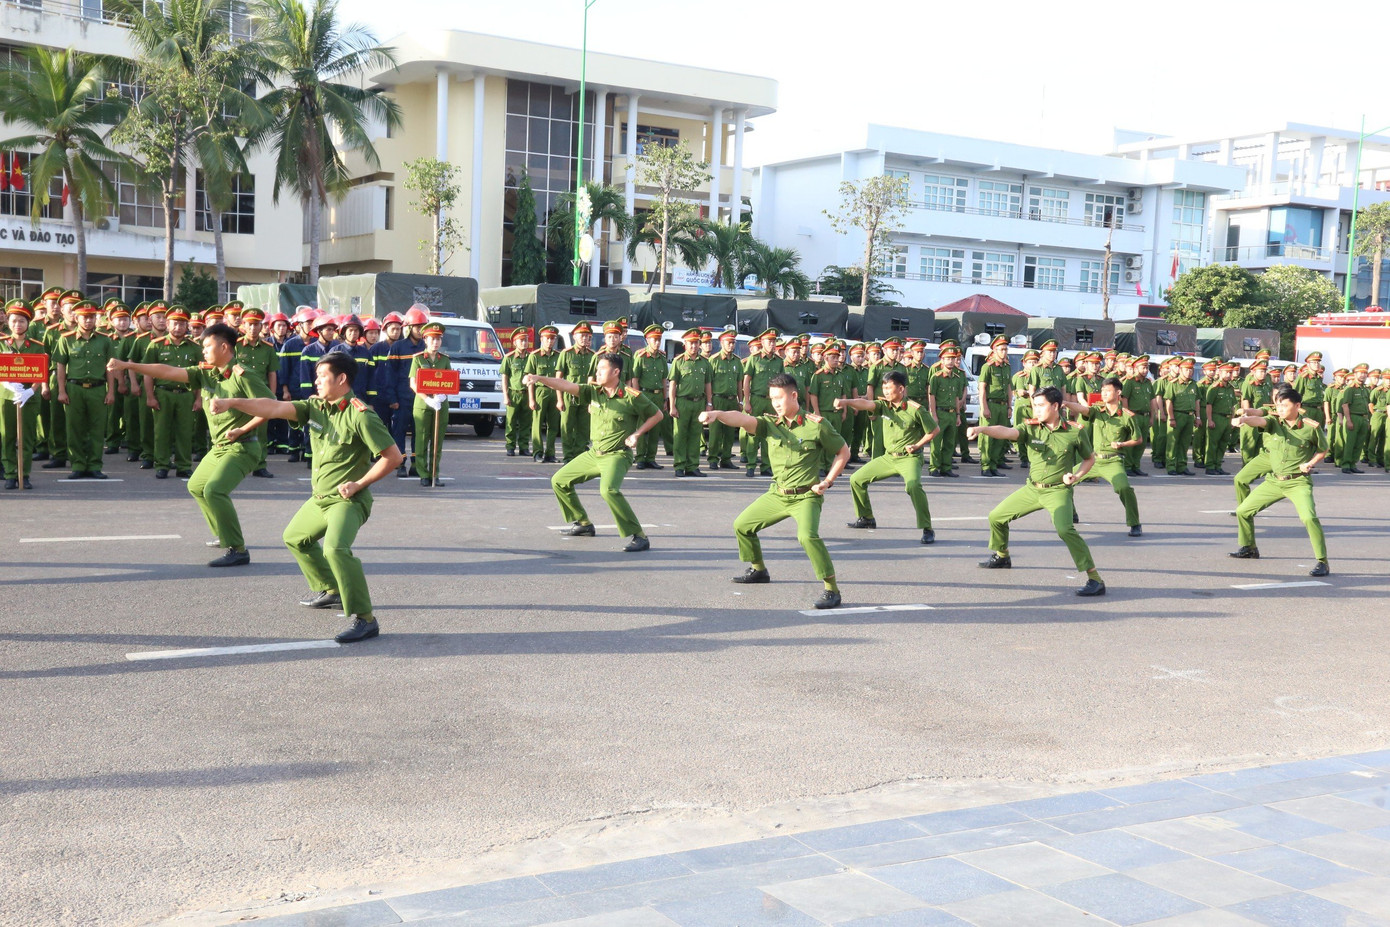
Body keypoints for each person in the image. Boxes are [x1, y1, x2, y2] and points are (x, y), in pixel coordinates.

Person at [208, 351, 404, 643]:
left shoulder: (361, 415)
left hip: (348, 500)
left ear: (342, 379)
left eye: (322, 376)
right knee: (295, 537)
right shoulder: (315, 407)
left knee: (336, 550)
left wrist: (359, 483)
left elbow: (393, 457)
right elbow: (272, 407)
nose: (316, 382)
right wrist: (232, 402)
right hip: (320, 498)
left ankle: (365, 619)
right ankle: (332, 589)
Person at [109, 323, 275, 566]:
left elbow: (270, 406)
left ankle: (237, 549)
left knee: (214, 490)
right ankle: (223, 533)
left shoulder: (243, 375)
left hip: (243, 446)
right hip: (219, 447)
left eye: (207, 346)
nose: (203, 351)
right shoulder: (207, 372)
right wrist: (127, 365)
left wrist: (243, 427)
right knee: (197, 486)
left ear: (224, 347)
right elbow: (166, 371)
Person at [700, 373, 849, 609]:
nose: (775, 404)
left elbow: (843, 452)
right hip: (778, 494)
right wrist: (717, 415)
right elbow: (741, 419)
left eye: (779, 398)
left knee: (807, 537)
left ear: (793, 395)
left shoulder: (816, 426)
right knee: (742, 525)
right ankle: (758, 569)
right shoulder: (770, 424)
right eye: (772, 399)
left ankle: (831, 589)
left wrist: (827, 481)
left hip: (806, 495)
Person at [968, 386, 1107, 596]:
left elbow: (1089, 459)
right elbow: (1007, 432)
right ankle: (1002, 556)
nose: (1036, 410)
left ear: (1055, 406)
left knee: (1065, 530)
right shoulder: (1031, 428)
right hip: (1032, 489)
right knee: (996, 517)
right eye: (1034, 406)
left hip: (1058, 491)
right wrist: (981, 429)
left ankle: (1095, 579)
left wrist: (1076, 476)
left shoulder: (1074, 431)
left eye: (1041, 406)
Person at [524, 353, 662, 553]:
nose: (597, 372)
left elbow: (657, 414)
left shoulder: (632, 397)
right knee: (559, 480)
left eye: (602, 368)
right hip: (593, 453)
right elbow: (564, 384)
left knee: (608, 490)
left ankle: (639, 536)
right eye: (597, 368)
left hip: (617, 455)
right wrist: (539, 378)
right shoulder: (593, 392)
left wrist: (637, 434)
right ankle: (583, 523)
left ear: (616, 372)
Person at [1229, 385, 1330, 577]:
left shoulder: (1311, 427)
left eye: (1284, 405)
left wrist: (1310, 463)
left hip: (1298, 482)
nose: (1280, 409)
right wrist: (1243, 419)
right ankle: (1249, 547)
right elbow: (1258, 419)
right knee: (1242, 511)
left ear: (1297, 405)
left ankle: (1322, 561)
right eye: (1278, 405)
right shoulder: (1274, 422)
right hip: (1274, 482)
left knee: (1309, 518)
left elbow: (1323, 449)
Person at [837, 370, 938, 544]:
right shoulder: (884, 405)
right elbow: (865, 404)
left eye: (888, 387)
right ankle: (866, 517)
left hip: (909, 458)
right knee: (856, 479)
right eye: (883, 387)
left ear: (901, 389)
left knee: (913, 485)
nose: (885, 391)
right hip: (888, 457)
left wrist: (917, 445)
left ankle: (927, 528)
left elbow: (934, 430)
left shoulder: (916, 409)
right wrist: (845, 401)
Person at [1063, 378, 1143, 537]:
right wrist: (1066, 403)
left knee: (1124, 488)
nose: (1104, 393)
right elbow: (1083, 409)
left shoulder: (1127, 416)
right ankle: (1071, 514)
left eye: (1108, 390)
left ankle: (1135, 523)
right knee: (1065, 481)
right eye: (1103, 390)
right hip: (1093, 460)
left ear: (1118, 392)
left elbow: (1138, 439)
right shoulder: (1097, 411)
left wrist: (1122, 444)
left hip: (1113, 460)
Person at [53, 300, 118, 479]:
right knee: (75, 428)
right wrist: (61, 390)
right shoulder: (66, 339)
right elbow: (60, 367)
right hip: (75, 388)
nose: (88, 321)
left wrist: (111, 391)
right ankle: (78, 465)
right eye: (84, 317)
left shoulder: (105, 340)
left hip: (97, 389)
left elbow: (110, 368)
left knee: (97, 429)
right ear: (76, 317)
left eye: (91, 317)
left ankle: (95, 465)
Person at [141, 306, 203, 479]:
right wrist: (150, 396)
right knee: (162, 431)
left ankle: (184, 465)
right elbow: (148, 373)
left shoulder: (194, 347)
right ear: (168, 324)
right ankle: (162, 464)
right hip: (163, 393)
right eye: (175, 323)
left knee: (185, 432)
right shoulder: (156, 346)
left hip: (186, 394)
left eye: (182, 323)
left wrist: (199, 398)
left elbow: (200, 375)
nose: (178, 327)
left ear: (187, 326)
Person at [1, 299, 48, 490]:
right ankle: (11, 474)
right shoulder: (2, 344)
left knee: (26, 437)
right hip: (6, 396)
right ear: (8, 322)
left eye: (21, 321)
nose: (17, 324)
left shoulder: (37, 346)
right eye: (13, 320)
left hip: (29, 397)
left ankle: (24, 474)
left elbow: (41, 372)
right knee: (7, 436)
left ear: (28, 323)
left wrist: (30, 390)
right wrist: (9, 385)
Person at [235, 308, 279, 479]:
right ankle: (237, 464)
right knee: (238, 429)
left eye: (257, 325)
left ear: (262, 326)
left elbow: (272, 373)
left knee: (260, 432)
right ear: (244, 326)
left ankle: (260, 465)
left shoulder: (268, 348)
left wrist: (272, 397)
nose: (253, 328)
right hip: (241, 395)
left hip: (260, 396)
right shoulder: (236, 345)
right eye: (250, 324)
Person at [409, 321, 452, 486]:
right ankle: (423, 474)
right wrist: (427, 399)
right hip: (422, 404)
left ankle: (435, 473)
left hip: (441, 405)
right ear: (425, 340)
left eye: (438, 339)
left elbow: (451, 382)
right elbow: (413, 383)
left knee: (437, 441)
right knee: (421, 440)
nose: (435, 342)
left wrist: (442, 396)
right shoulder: (418, 359)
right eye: (432, 339)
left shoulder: (445, 360)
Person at [668, 327, 713, 477]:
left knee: (695, 435)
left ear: (699, 344)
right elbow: (673, 384)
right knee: (680, 435)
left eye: (696, 343)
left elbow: (708, 384)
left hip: (699, 402)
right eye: (690, 343)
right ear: (685, 345)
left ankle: (693, 466)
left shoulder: (704, 363)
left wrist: (709, 404)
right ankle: (679, 466)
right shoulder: (678, 361)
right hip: (682, 402)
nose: (693, 346)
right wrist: (672, 405)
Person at [742, 328, 783, 476]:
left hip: (771, 402)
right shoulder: (754, 358)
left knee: (770, 434)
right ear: (762, 342)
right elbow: (747, 381)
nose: (772, 344)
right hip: (756, 399)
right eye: (769, 341)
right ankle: (751, 465)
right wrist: (747, 402)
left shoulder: (779, 361)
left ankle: (766, 466)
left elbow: (781, 383)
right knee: (753, 433)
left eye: (774, 341)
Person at [556, 321, 595, 463]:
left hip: (586, 396)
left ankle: (579, 456)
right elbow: (558, 379)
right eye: (581, 335)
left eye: (587, 336)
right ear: (574, 337)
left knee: (584, 428)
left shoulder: (593, 355)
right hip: (569, 396)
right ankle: (568, 456)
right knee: (567, 427)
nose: (584, 338)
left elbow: (595, 378)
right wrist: (559, 399)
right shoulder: (566, 354)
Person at [631, 324, 669, 470]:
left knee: (655, 429)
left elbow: (664, 380)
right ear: (647, 340)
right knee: (642, 426)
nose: (657, 342)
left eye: (659, 339)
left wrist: (665, 399)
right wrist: (636, 397)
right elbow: (635, 378)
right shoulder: (640, 356)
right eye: (654, 339)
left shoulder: (661, 357)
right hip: (644, 394)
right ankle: (640, 457)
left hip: (658, 395)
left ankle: (651, 458)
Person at [706, 329, 744, 470]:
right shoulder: (714, 360)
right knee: (715, 432)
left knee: (729, 432)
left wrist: (740, 401)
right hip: (718, 399)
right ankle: (713, 459)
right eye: (729, 342)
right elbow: (708, 382)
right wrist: (709, 402)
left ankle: (726, 459)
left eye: (733, 343)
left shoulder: (737, 361)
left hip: (731, 400)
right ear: (722, 343)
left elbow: (739, 382)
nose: (731, 345)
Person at [927, 343, 967, 478]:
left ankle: (946, 467)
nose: (951, 361)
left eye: (953, 358)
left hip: (951, 414)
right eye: (947, 358)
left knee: (949, 443)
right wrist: (933, 414)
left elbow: (957, 397)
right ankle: (934, 467)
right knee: (936, 443)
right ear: (942, 360)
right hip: (940, 412)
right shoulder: (936, 377)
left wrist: (957, 415)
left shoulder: (956, 378)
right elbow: (931, 396)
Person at [524, 324, 562, 462]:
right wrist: (531, 399)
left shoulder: (559, 356)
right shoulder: (534, 356)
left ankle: (550, 453)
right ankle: (537, 452)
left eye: (552, 339)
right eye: (547, 338)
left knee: (553, 425)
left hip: (555, 391)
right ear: (541, 339)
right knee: (537, 423)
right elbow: (529, 379)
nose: (550, 341)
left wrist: (560, 399)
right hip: (540, 391)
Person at [976, 335, 1012, 477]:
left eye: (1005, 349)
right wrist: (984, 407)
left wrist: (1009, 406)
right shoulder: (987, 367)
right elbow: (982, 389)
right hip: (991, 404)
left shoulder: (1007, 367)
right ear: (994, 350)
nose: (1004, 352)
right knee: (988, 437)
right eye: (1001, 349)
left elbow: (1009, 388)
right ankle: (985, 466)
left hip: (1003, 406)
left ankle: (994, 464)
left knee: (1000, 436)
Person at [499, 328, 532, 457]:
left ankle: (524, 447)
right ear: (515, 343)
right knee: (511, 422)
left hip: (527, 394)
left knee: (526, 423)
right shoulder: (509, 358)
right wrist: (506, 396)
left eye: (526, 340)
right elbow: (505, 378)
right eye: (521, 340)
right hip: (513, 393)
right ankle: (510, 446)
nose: (524, 343)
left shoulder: (531, 357)